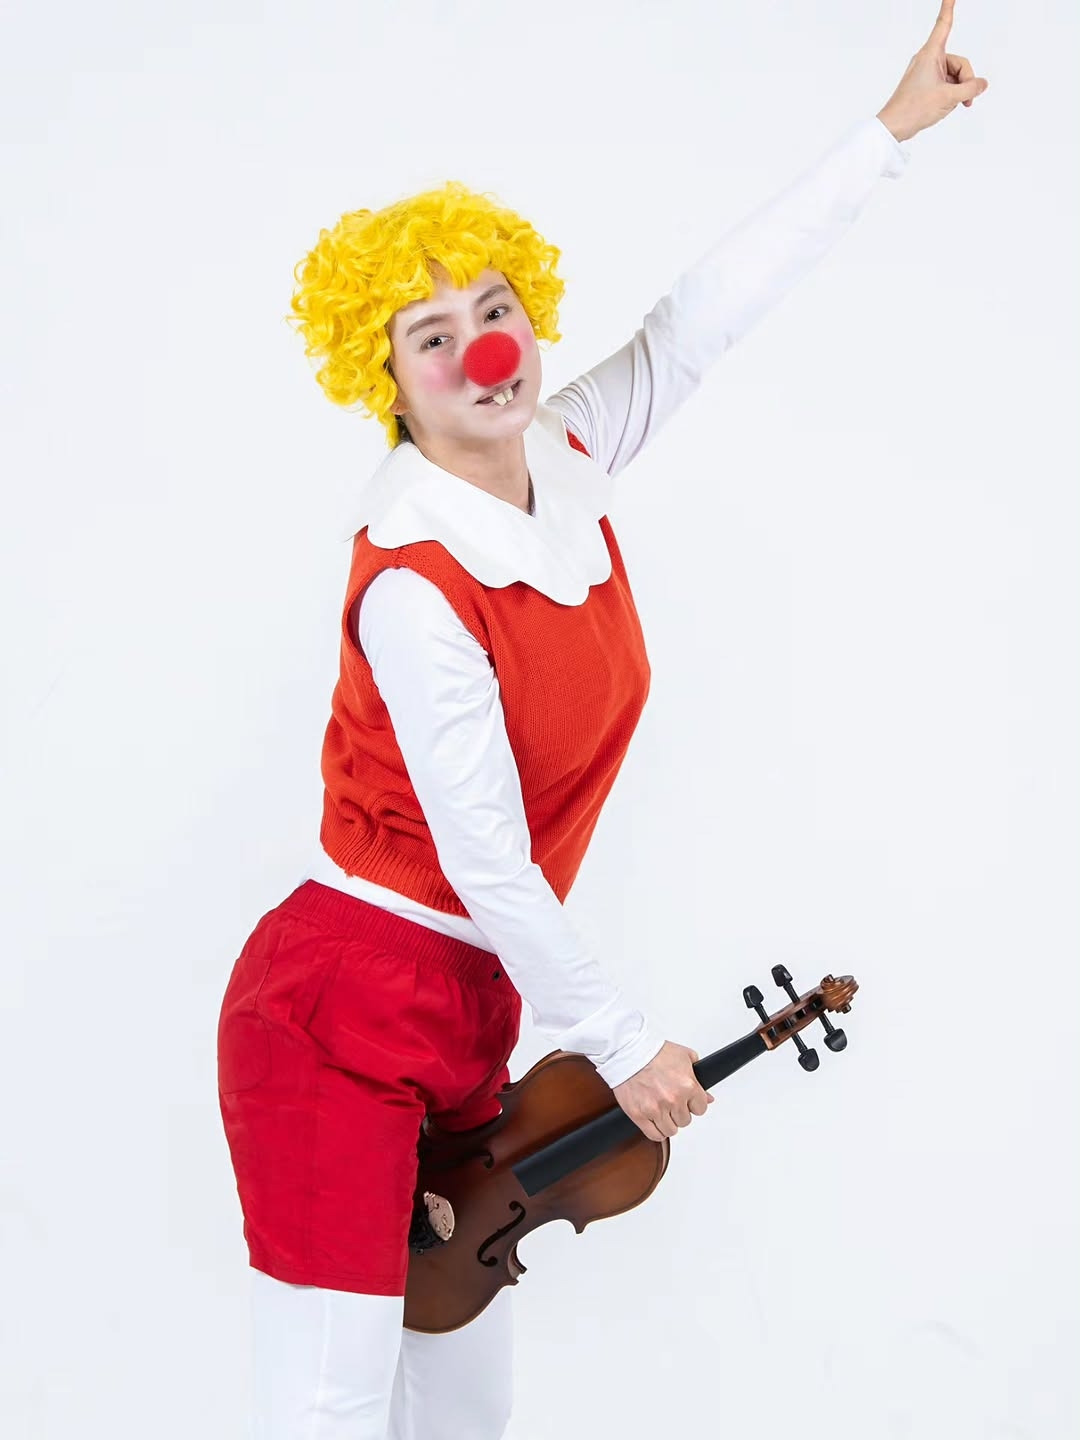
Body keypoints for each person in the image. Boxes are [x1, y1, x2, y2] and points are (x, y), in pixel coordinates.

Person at [215, 7, 987, 1435]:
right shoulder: (415, 583)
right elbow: (487, 860)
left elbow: (696, 324)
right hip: (341, 1010)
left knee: (465, 1398)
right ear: (387, 381)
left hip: (467, 1007)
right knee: (328, 1403)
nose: (482, 351)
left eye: (494, 309)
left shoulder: (562, 452)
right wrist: (623, 1042)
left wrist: (885, 134)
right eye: (433, 335)